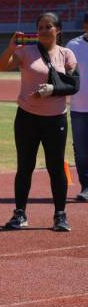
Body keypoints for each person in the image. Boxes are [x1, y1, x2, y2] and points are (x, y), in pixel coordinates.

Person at [0, 12, 78, 231]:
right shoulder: (25, 51)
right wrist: (11, 47)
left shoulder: (66, 54)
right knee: (25, 166)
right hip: (27, 118)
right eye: (40, 26)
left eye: (47, 26)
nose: (42, 30)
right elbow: (1, 67)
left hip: (55, 119)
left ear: (57, 30)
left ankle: (60, 215)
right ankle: (19, 213)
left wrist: (53, 90)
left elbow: (74, 85)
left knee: (55, 167)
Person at [66, 13, 88, 202]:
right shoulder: (73, 46)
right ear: (85, 25)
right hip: (79, 107)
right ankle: (86, 186)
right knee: (81, 149)